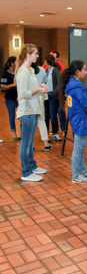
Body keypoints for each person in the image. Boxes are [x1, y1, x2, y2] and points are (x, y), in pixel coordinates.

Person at [59, 60, 87, 184]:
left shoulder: (71, 84)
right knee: (78, 149)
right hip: (81, 121)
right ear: (77, 72)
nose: (86, 72)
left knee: (80, 147)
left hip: (77, 120)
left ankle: (82, 170)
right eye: (84, 69)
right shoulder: (78, 88)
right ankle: (76, 175)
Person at [16, 44, 47, 181]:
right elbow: (23, 93)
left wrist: (40, 87)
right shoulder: (22, 71)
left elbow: (31, 90)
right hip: (27, 110)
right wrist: (39, 90)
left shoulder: (30, 71)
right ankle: (26, 172)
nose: (37, 55)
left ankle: (32, 166)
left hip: (33, 109)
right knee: (26, 143)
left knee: (30, 142)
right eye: (35, 53)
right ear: (28, 55)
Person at [31, 62, 52, 151]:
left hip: (30, 97)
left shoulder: (27, 71)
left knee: (31, 122)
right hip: (40, 97)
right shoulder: (42, 70)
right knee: (41, 120)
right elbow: (44, 83)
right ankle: (46, 144)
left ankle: (30, 146)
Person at [1, 56, 20, 141]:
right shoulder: (5, 74)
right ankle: (13, 133)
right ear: (12, 63)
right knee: (11, 116)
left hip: (18, 98)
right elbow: (2, 87)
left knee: (21, 115)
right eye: (16, 61)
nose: (17, 63)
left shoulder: (18, 72)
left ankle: (21, 132)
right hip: (9, 99)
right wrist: (13, 85)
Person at [44, 54, 62, 141]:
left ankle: (55, 133)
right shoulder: (46, 71)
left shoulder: (55, 70)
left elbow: (59, 84)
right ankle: (45, 135)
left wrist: (53, 93)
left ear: (46, 62)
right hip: (46, 96)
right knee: (46, 116)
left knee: (53, 115)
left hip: (53, 97)